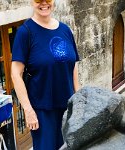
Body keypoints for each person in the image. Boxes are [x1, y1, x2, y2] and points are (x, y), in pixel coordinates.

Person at [11, 0, 79, 149]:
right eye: (38, 0)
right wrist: (28, 111)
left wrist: (78, 97)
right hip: (42, 111)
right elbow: (15, 74)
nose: (44, 3)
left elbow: (73, 65)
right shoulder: (25, 32)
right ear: (31, 2)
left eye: (48, 0)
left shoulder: (65, 30)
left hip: (68, 107)